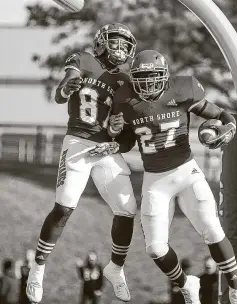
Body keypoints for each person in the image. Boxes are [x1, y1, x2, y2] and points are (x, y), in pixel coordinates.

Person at [112, 49, 237, 304]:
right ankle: (187, 284)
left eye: (153, 76)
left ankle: (236, 289)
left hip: (186, 172)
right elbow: (127, 141)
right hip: (155, 179)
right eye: (142, 77)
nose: (148, 83)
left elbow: (221, 115)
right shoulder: (125, 100)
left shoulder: (183, 90)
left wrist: (228, 126)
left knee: (212, 230)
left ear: (164, 76)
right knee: (155, 248)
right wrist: (114, 137)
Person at [26, 23, 137, 303]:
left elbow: (123, 129)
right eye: (116, 42)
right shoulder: (83, 60)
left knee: (127, 209)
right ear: (101, 42)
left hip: (104, 147)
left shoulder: (125, 79)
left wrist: (117, 129)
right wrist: (67, 87)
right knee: (64, 207)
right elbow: (61, 93)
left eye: (126, 45)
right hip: (77, 141)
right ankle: (38, 268)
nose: (121, 49)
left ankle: (115, 268)